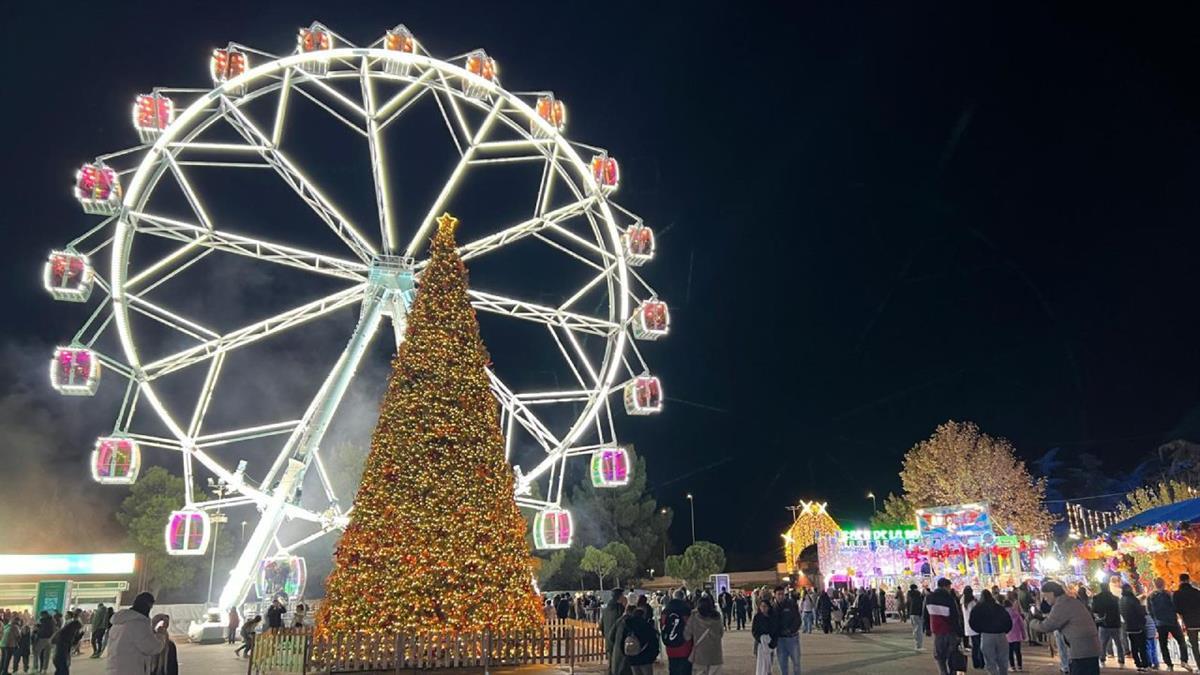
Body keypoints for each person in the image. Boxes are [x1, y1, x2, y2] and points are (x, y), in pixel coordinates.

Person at [1029, 580, 1102, 675]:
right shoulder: (1071, 601)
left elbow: (1047, 626)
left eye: (1045, 596)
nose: (1045, 599)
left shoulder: (1062, 604)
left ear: (1052, 593)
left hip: (1081, 650)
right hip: (1090, 647)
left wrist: (1032, 622)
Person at [104, 593, 165, 675]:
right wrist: (161, 634)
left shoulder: (118, 623)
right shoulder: (137, 623)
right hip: (131, 670)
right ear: (148, 605)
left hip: (114, 670)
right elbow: (152, 647)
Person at [1148, 576, 1190, 671]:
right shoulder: (1170, 594)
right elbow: (1176, 606)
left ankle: (1169, 665)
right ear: (1163, 584)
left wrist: (1155, 620)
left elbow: (1149, 611)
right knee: (1181, 641)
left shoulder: (1151, 597)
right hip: (1172, 622)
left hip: (1160, 624)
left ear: (1155, 585)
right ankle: (1184, 660)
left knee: (1163, 645)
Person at [926, 577, 964, 675]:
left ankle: (943, 672)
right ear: (945, 586)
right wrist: (960, 632)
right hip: (950, 630)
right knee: (952, 655)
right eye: (949, 587)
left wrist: (927, 628)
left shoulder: (929, 597)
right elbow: (955, 617)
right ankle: (952, 672)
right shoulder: (949, 598)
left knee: (939, 655)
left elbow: (925, 614)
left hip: (937, 630)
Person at [969, 589, 1012, 675]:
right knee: (1003, 660)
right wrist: (1005, 630)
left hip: (986, 635)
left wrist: (980, 630)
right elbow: (1008, 621)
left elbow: (972, 622)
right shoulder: (999, 607)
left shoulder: (977, 608)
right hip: (1001, 635)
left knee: (990, 660)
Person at [683, 596, 723, 675]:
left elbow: (687, 636)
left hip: (700, 656)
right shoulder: (717, 617)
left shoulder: (694, 617)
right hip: (716, 655)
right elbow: (721, 633)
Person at [1090, 579, 1125, 668]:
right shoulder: (1115, 598)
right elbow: (1119, 610)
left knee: (1103, 643)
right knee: (1119, 643)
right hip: (1115, 623)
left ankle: (1102, 659)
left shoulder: (1097, 598)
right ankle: (1121, 659)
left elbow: (1094, 609)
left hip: (1104, 623)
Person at [661, 589, 693, 675]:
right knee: (686, 670)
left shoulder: (666, 611)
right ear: (683, 597)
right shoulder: (686, 610)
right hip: (685, 646)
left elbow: (663, 627)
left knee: (673, 668)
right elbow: (690, 628)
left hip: (670, 646)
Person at [1119, 582, 1150, 672]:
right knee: (1142, 646)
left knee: (1134, 646)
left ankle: (1138, 664)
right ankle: (1145, 664)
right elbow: (1140, 612)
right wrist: (1143, 619)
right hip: (1138, 626)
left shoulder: (1121, 600)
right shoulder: (1133, 599)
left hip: (1128, 626)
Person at [770, 586, 800, 675]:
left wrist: (791, 630)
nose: (780, 596)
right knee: (782, 664)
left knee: (796, 663)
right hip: (780, 640)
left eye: (782, 594)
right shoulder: (772, 607)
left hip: (792, 638)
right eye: (778, 594)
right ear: (774, 595)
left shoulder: (791, 604)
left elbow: (797, 620)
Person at [622, 606, 659, 675]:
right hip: (645, 658)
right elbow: (654, 642)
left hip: (632, 657)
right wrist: (653, 656)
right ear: (643, 615)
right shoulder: (647, 626)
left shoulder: (628, 625)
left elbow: (622, 642)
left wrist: (627, 655)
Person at [600, 590, 629, 675]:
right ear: (619, 597)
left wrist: (606, 635)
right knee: (619, 666)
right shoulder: (620, 609)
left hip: (608, 641)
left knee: (611, 664)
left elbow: (601, 626)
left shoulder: (605, 610)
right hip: (618, 641)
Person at [1176, 574, 1200, 666]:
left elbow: (1178, 610)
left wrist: (1183, 621)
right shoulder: (1197, 592)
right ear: (1188, 580)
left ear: (1180, 581)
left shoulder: (1177, 594)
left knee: (1195, 646)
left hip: (1189, 623)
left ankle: (1199, 665)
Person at [51, 610, 82, 675]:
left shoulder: (65, 631)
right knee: (63, 669)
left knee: (60, 669)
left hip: (60, 654)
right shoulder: (66, 633)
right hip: (62, 653)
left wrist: (79, 636)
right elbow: (71, 643)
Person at [752, 600, 775, 675]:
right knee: (761, 663)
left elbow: (775, 629)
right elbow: (754, 630)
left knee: (769, 662)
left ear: (768, 607)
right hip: (759, 643)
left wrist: (771, 640)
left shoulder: (772, 617)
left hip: (770, 643)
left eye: (765, 606)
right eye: (762, 606)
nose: (763, 608)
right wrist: (760, 639)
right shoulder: (757, 617)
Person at [963, 586, 983, 669]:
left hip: (968, 627)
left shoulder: (964, 603)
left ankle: (976, 663)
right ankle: (981, 662)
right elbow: (977, 613)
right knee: (979, 645)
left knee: (975, 645)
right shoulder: (973, 603)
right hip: (976, 626)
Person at [1004, 599, 1025, 672]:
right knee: (1018, 652)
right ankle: (1020, 666)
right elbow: (1022, 624)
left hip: (1008, 636)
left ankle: (1012, 667)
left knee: (1010, 652)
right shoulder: (1016, 613)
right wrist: (1023, 634)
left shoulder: (1004, 614)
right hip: (1017, 635)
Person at [906, 584, 926, 650]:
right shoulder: (917, 596)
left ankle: (917, 645)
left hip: (912, 613)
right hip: (917, 614)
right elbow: (920, 605)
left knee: (915, 629)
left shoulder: (910, 596)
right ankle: (918, 646)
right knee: (918, 630)